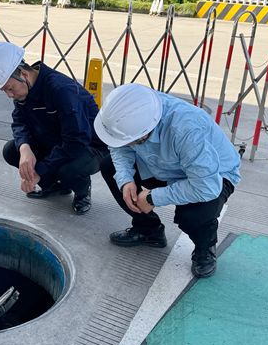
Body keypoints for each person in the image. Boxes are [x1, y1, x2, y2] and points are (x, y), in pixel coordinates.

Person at [94, 84, 240, 278]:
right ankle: (148, 230)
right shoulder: (129, 112)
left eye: (133, 141)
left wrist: (153, 197)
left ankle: (204, 248)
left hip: (213, 176)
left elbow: (206, 187)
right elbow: (118, 145)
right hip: (163, 164)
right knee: (110, 167)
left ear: (146, 131)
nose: (127, 144)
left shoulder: (186, 129)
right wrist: (126, 179)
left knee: (193, 216)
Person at [0, 42, 108, 215]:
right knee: (11, 150)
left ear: (24, 74)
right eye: (5, 91)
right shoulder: (24, 90)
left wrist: (38, 172)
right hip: (57, 139)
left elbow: (76, 141)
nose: (10, 95)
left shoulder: (61, 90)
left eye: (10, 88)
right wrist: (25, 148)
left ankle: (82, 192)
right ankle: (54, 186)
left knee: (68, 168)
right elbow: (19, 121)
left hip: (89, 146)